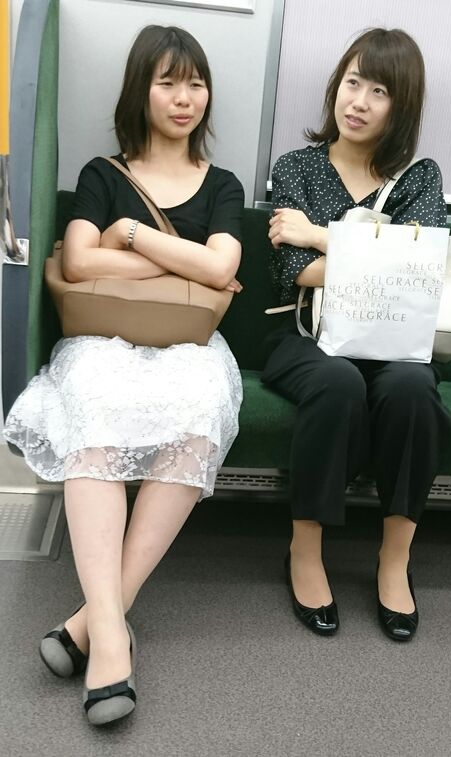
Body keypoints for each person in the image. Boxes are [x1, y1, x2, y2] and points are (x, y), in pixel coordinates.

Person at [4, 25, 244, 725]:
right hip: (102, 337)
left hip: (187, 344)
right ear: (141, 90)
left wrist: (130, 236)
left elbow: (222, 268)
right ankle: (112, 638)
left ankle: (92, 622)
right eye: (168, 82)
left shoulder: (222, 184)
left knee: (201, 411)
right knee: (97, 408)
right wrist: (178, 258)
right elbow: (80, 261)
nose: (184, 97)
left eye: (195, 83)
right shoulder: (102, 174)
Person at [263, 28, 451, 642]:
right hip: (305, 335)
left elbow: (414, 273)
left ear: (401, 106)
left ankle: (394, 559)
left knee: (413, 390)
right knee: (337, 381)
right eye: (353, 83)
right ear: (335, 87)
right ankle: (305, 550)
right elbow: (295, 273)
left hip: (394, 342)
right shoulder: (296, 167)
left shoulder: (419, 176)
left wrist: (320, 236)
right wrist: (375, 256)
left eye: (380, 91)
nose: (359, 102)